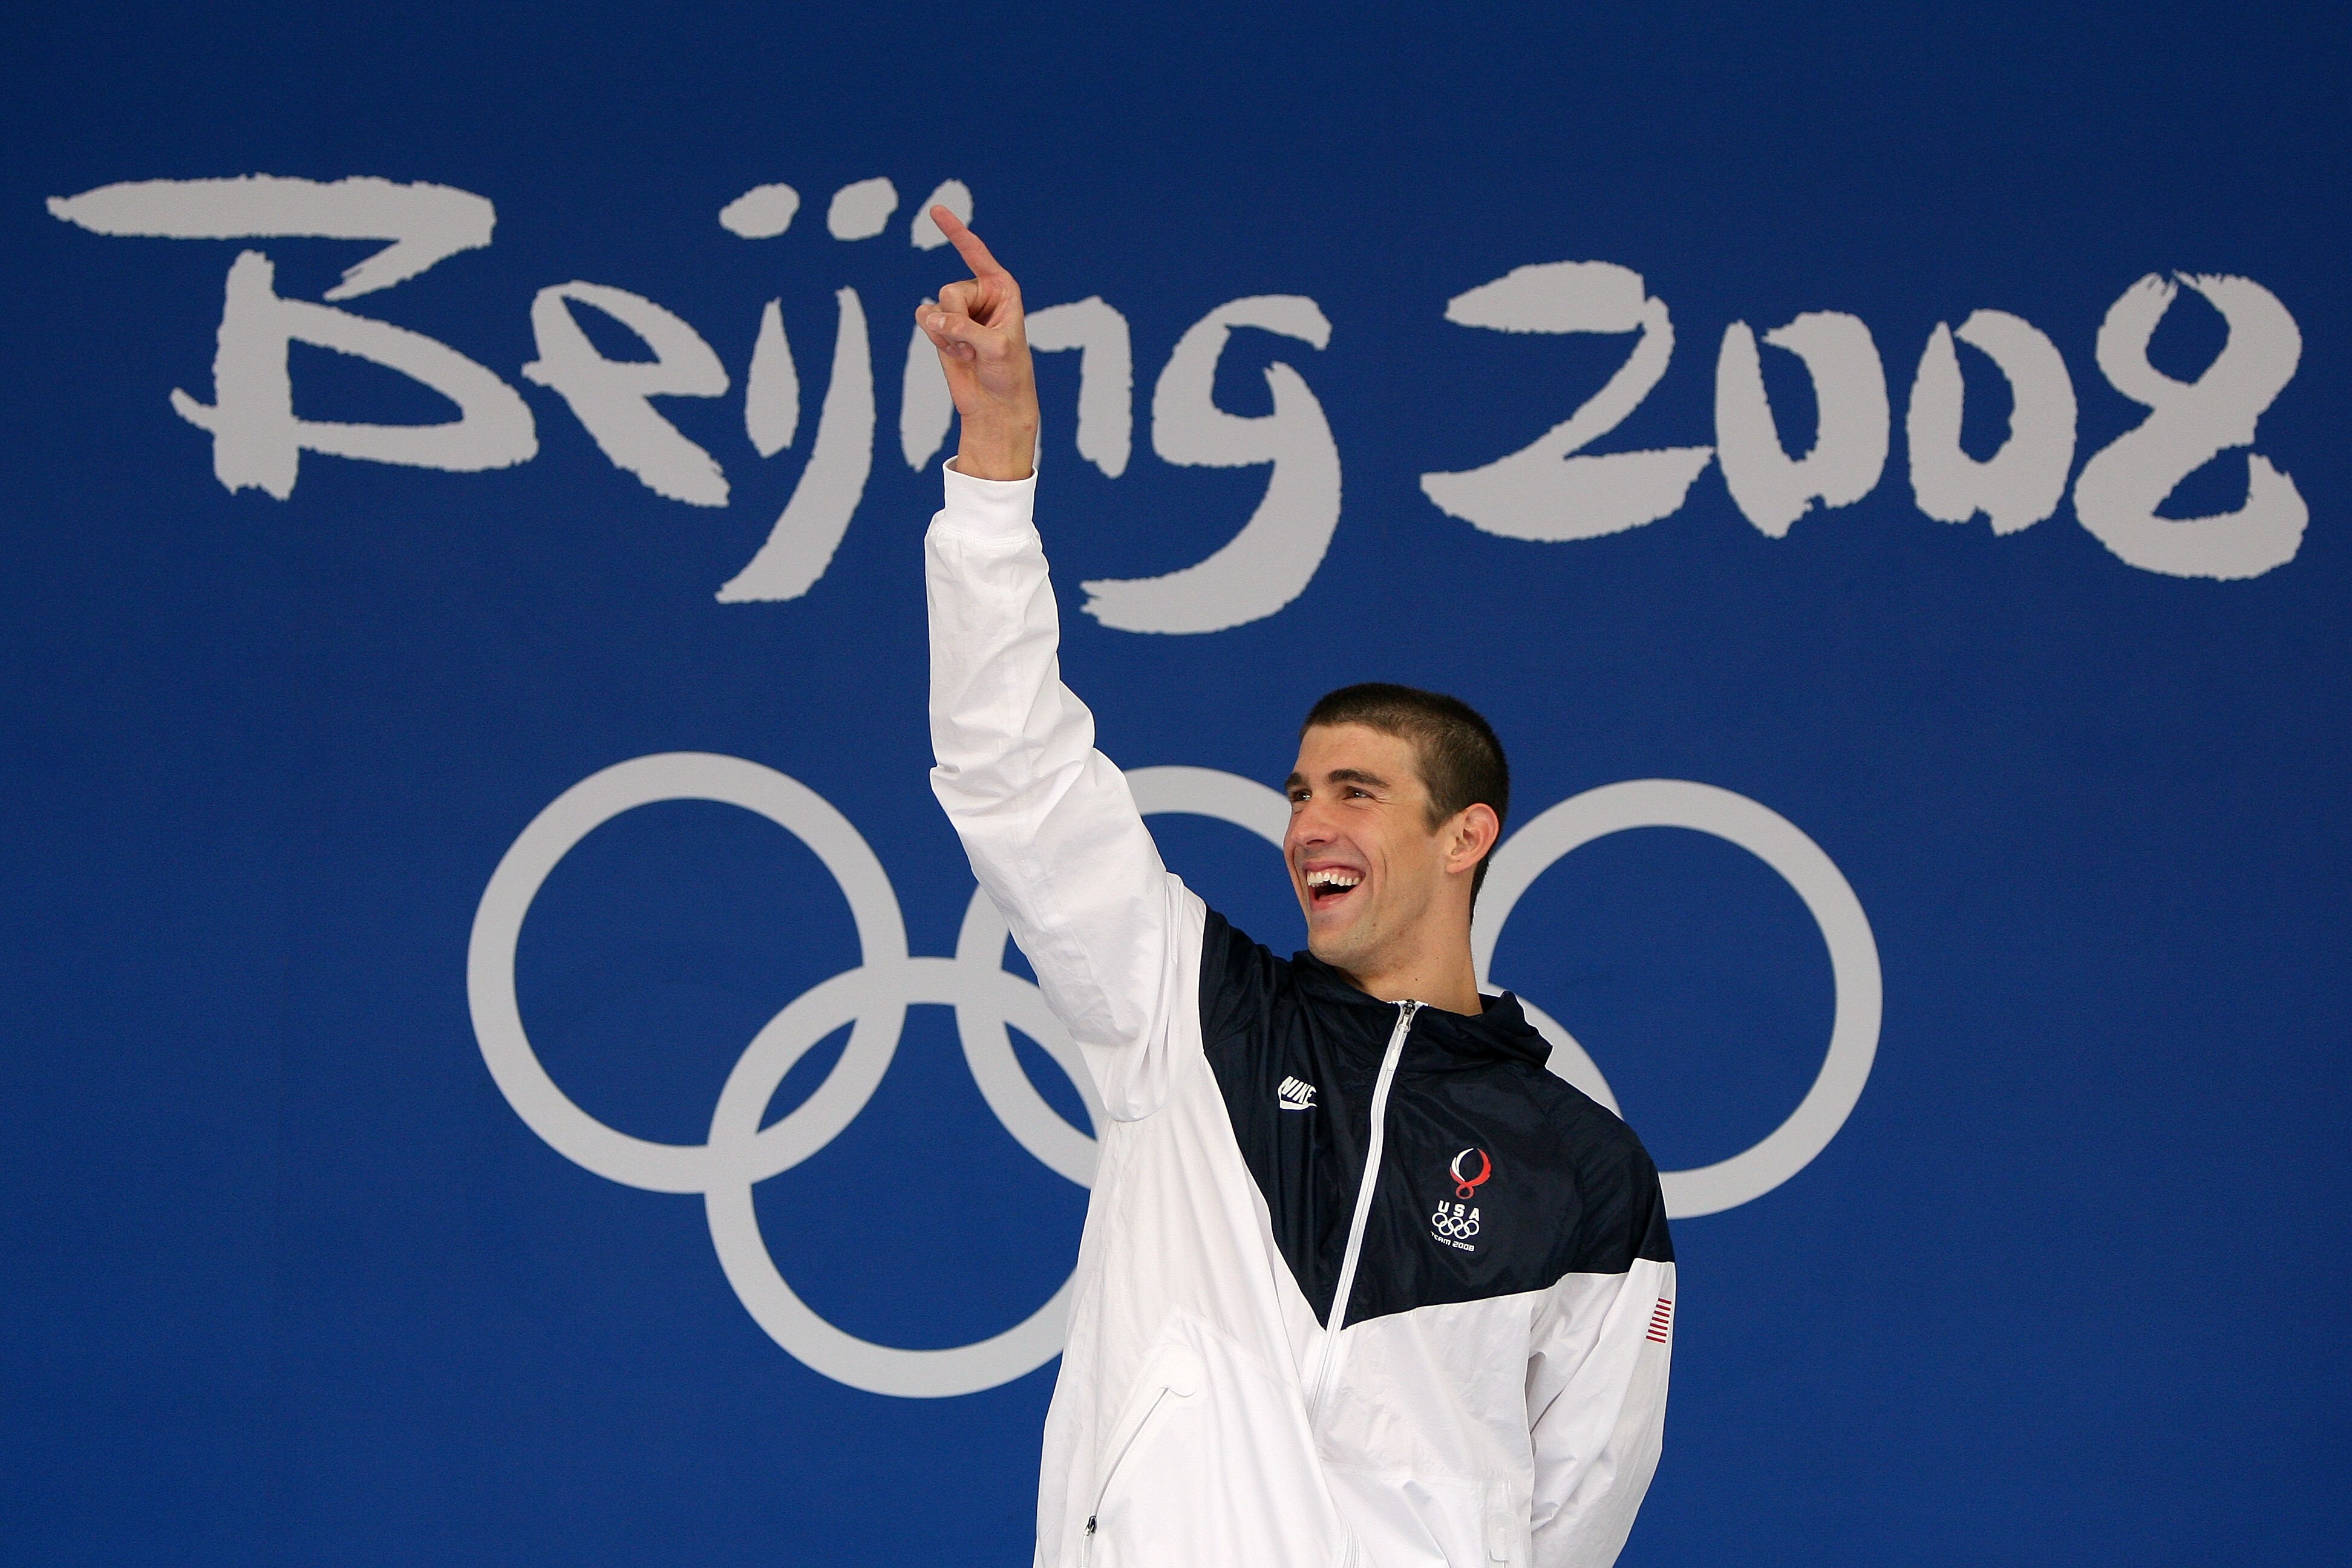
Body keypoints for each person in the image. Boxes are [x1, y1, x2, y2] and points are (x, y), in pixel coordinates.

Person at [915, 208, 1674, 1568]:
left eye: (1356, 792)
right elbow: (1012, 771)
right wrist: (996, 462)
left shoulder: (1586, 1159)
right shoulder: (1187, 1011)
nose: (1308, 822)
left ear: (1466, 836)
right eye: (1299, 793)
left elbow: (1583, 1501)